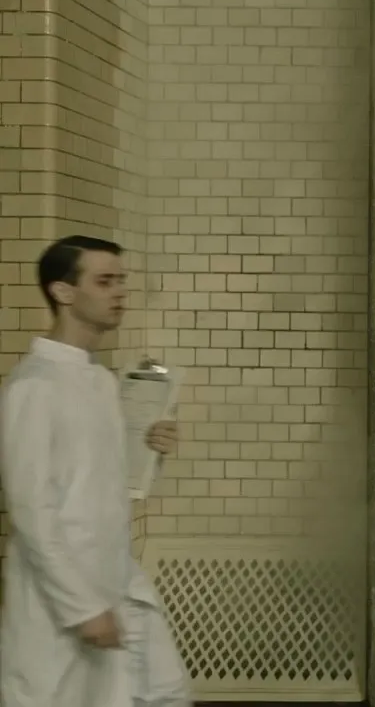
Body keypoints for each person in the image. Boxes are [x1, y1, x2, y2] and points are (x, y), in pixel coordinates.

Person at [0, 235, 190, 707]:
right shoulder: (34, 386)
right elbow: (31, 512)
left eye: (121, 280)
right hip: (59, 605)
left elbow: (107, 486)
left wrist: (150, 451)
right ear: (63, 291)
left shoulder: (102, 381)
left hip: (114, 581)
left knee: (164, 693)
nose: (120, 292)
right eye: (105, 281)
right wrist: (82, 608)